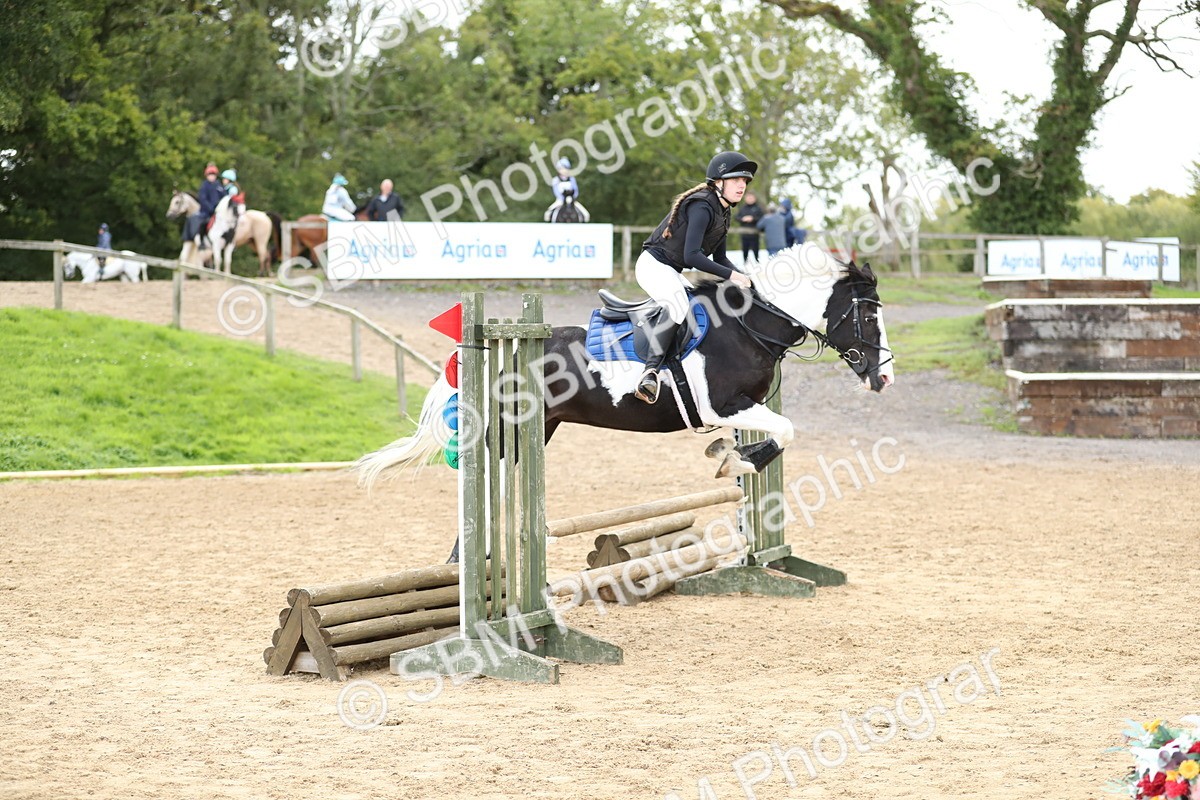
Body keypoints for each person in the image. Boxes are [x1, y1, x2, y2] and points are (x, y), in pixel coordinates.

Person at [635, 150, 756, 404]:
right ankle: (650, 373)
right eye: (736, 180)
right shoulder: (702, 205)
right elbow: (692, 256)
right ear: (718, 182)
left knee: (700, 308)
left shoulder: (724, 212)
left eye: (745, 181)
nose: (742, 186)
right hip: (652, 265)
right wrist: (733, 276)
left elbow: (720, 260)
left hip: (670, 269)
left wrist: (747, 278)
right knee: (678, 307)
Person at [183, 163, 225, 243]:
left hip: (218, 212)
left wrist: (219, 208)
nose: (212, 176)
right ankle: (201, 240)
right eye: (210, 174)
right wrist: (211, 209)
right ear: (207, 175)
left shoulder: (219, 185)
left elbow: (223, 197)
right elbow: (203, 199)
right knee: (202, 223)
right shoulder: (204, 186)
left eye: (213, 174)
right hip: (206, 212)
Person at [736, 191, 764, 265]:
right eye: (748, 197)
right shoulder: (742, 208)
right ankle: (745, 264)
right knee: (745, 251)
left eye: (751, 197)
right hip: (744, 235)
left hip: (754, 234)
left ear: (754, 198)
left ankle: (758, 265)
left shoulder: (758, 208)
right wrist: (743, 219)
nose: (749, 199)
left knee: (756, 251)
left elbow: (762, 218)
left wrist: (753, 218)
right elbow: (736, 217)